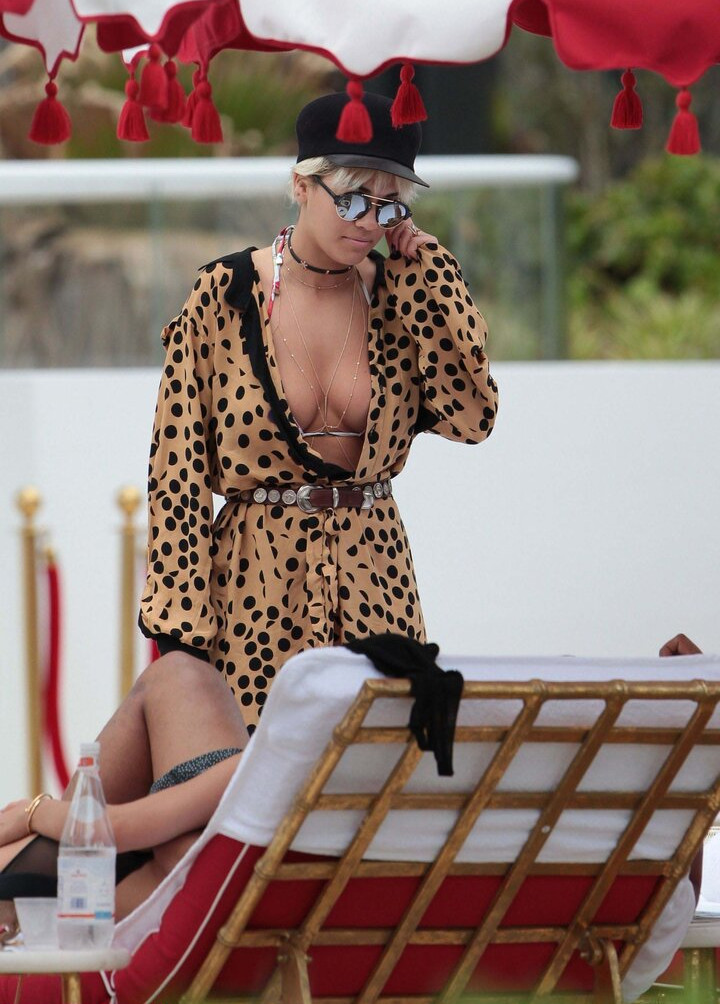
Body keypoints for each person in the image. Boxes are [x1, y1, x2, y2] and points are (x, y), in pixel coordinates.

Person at [138, 91, 498, 732]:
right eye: (353, 199)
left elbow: (472, 416)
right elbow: (177, 470)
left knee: (378, 768)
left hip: (375, 575)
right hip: (254, 583)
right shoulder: (225, 293)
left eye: (390, 206)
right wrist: (179, 627)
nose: (370, 223)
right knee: (252, 773)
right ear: (302, 186)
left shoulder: (400, 294)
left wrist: (433, 273)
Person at [0, 652, 248, 939]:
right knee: (178, 674)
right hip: (178, 877)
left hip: (188, 886)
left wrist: (31, 812)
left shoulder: (268, 756)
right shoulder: (279, 759)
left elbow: (111, 827)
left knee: (179, 673)